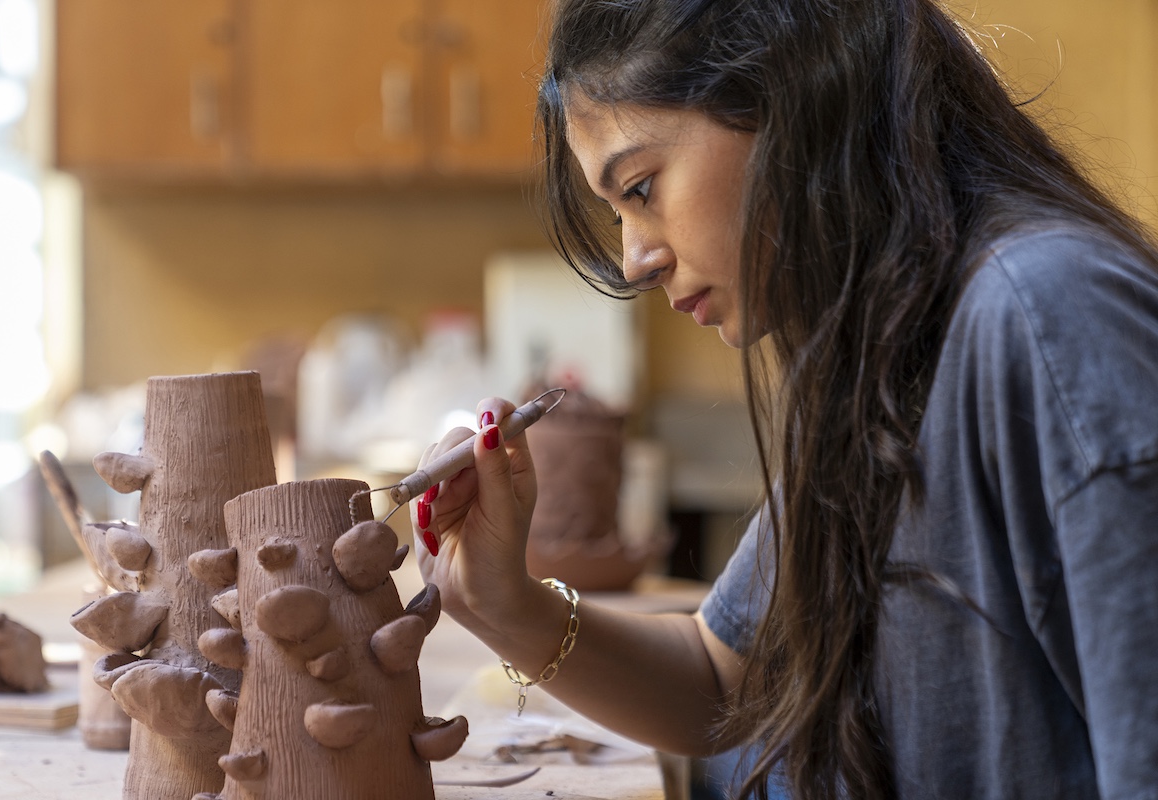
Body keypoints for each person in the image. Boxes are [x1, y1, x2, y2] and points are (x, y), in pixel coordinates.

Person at [411, 1, 1158, 797]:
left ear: (791, 97)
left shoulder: (1051, 319)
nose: (635, 260)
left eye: (641, 186)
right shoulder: (874, 344)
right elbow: (726, 680)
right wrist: (505, 607)